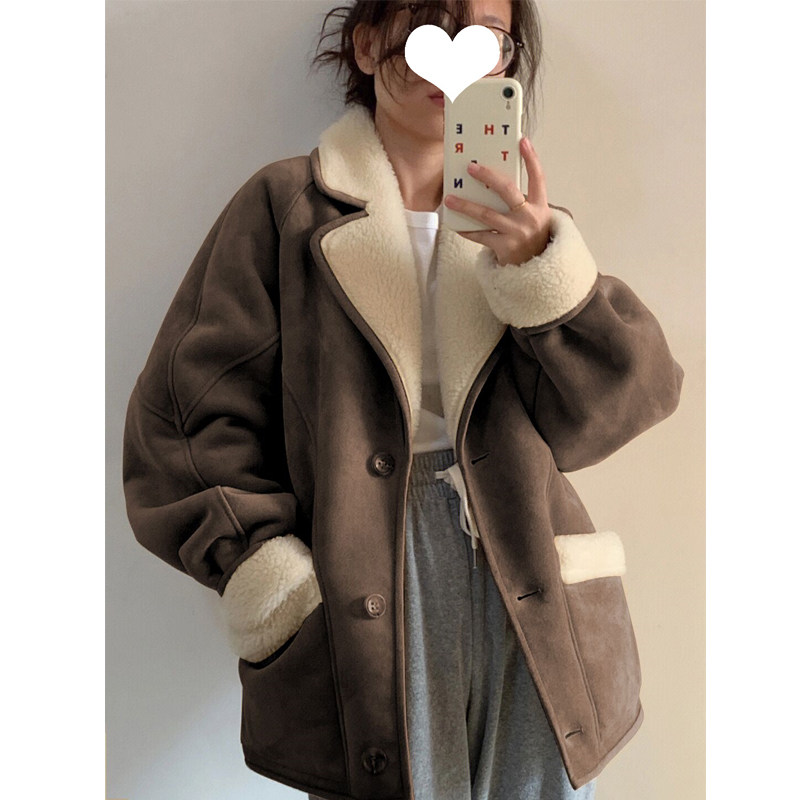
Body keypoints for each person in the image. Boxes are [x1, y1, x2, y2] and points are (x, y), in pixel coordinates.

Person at [122, 1, 684, 799]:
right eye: (430, 24)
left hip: (522, 560)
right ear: (367, 43)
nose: (456, 54)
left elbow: (624, 403)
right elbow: (180, 425)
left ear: (505, 61)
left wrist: (542, 269)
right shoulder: (287, 208)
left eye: (485, 35)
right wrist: (273, 581)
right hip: (366, 560)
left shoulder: (525, 228)